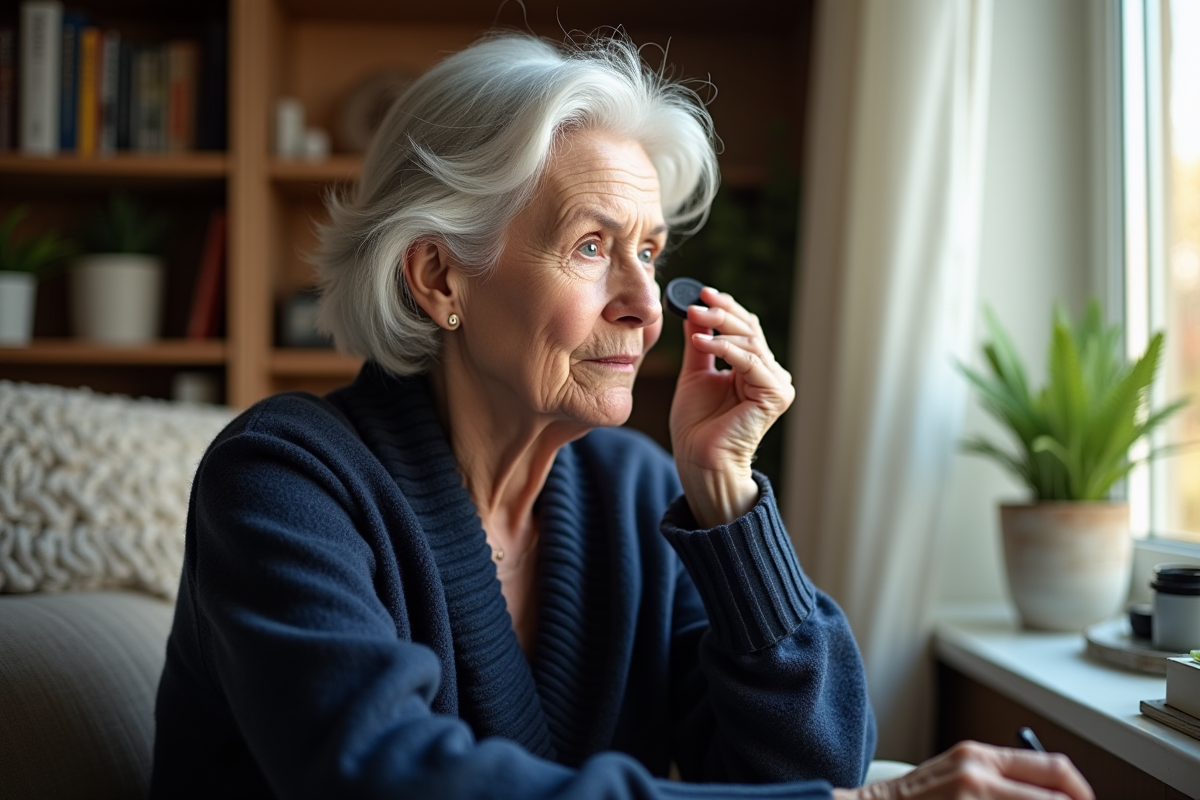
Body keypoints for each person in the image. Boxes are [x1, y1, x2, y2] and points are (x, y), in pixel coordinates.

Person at [150, 31, 1093, 800]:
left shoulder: (637, 491)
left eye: (650, 249)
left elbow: (811, 767)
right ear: (441, 278)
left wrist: (726, 497)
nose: (648, 302)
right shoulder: (282, 480)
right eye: (592, 245)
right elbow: (381, 778)